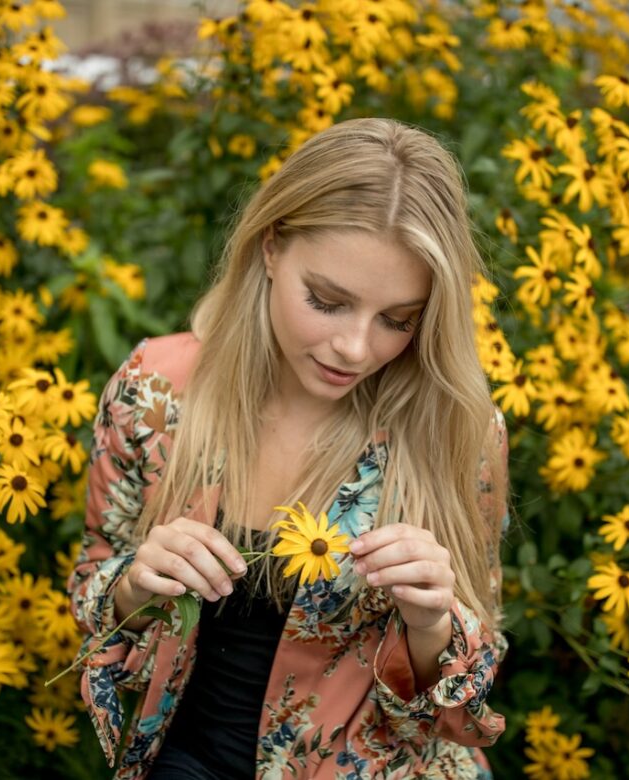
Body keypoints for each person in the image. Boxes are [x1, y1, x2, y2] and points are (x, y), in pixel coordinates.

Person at [67, 117, 510, 779]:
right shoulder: (155, 396)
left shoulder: (456, 428)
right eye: (328, 301)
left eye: (398, 319)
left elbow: (462, 705)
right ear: (271, 248)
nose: (356, 348)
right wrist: (135, 585)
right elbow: (91, 598)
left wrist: (430, 625)